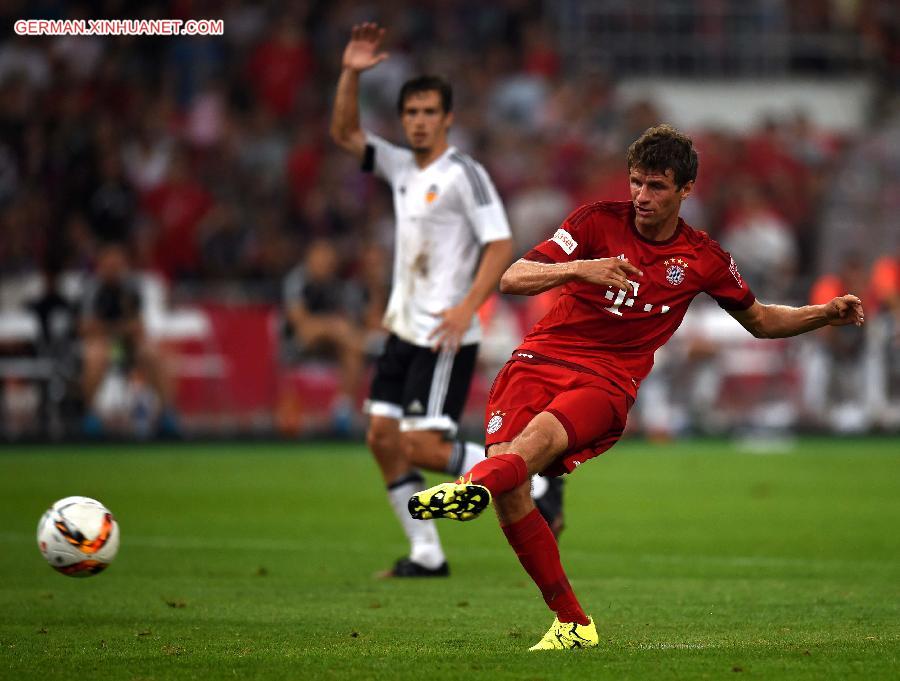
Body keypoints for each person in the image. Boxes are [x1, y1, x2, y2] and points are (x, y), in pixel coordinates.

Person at [409, 124, 865, 648]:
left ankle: (471, 486)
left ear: (685, 189)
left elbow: (760, 320)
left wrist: (824, 313)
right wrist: (581, 269)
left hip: (606, 381)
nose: (642, 197)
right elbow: (511, 278)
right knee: (513, 490)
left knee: (533, 446)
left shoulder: (703, 258)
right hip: (537, 360)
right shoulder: (595, 222)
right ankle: (573, 625)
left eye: (656, 187)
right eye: (636, 183)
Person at [330, 23, 563, 578]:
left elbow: (501, 242)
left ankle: (536, 477)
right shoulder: (398, 166)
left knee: (422, 447)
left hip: (445, 331)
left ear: (447, 117)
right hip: (403, 328)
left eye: (429, 112)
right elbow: (344, 134)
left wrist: (466, 307)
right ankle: (427, 554)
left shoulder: (465, 174)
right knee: (382, 440)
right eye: (410, 112)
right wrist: (351, 72)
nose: (418, 120)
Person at [80, 242, 178, 437]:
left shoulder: (132, 289)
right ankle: (90, 415)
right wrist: (117, 329)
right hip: (103, 345)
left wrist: (112, 329)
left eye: (117, 264)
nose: (114, 269)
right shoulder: (92, 290)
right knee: (95, 355)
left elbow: (139, 328)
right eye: (109, 264)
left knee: (153, 354)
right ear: (101, 265)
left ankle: (166, 413)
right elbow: (86, 328)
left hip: (127, 346)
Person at [283, 239, 367, 434]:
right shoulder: (297, 281)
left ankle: (342, 410)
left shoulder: (339, 285)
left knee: (353, 352)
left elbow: (351, 320)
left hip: (333, 344)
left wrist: (338, 329)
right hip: (298, 343)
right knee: (344, 334)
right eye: (320, 258)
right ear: (310, 258)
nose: (324, 263)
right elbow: (301, 324)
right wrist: (333, 326)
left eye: (328, 259)